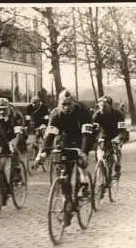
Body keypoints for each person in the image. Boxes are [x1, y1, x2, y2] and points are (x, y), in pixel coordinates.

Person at [34, 90, 93, 226]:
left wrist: (83, 151)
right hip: (65, 139)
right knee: (64, 171)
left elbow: (86, 135)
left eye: (69, 104)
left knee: (80, 160)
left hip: (82, 138)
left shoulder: (83, 111)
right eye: (63, 104)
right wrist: (42, 153)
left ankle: (84, 183)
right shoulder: (55, 113)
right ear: (59, 103)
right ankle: (68, 203)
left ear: (74, 102)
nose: (66, 107)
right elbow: (50, 136)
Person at [92, 96, 127, 179]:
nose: (102, 107)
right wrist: (94, 138)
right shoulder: (97, 115)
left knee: (117, 149)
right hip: (104, 135)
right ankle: (101, 165)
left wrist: (119, 137)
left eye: (105, 105)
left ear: (110, 105)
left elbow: (122, 129)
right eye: (100, 105)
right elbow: (93, 129)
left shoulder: (118, 114)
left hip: (116, 134)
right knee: (99, 150)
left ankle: (117, 167)